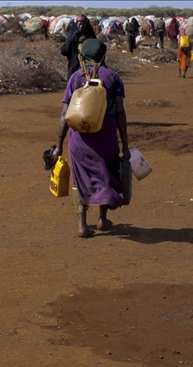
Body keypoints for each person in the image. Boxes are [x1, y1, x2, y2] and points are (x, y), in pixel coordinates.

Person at [54, 39, 129, 238]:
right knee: (106, 173)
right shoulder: (113, 78)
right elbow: (120, 113)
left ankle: (82, 225)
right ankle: (102, 219)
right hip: (106, 135)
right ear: (102, 54)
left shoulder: (75, 78)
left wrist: (58, 144)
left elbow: (64, 113)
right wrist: (125, 145)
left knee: (80, 178)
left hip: (79, 138)